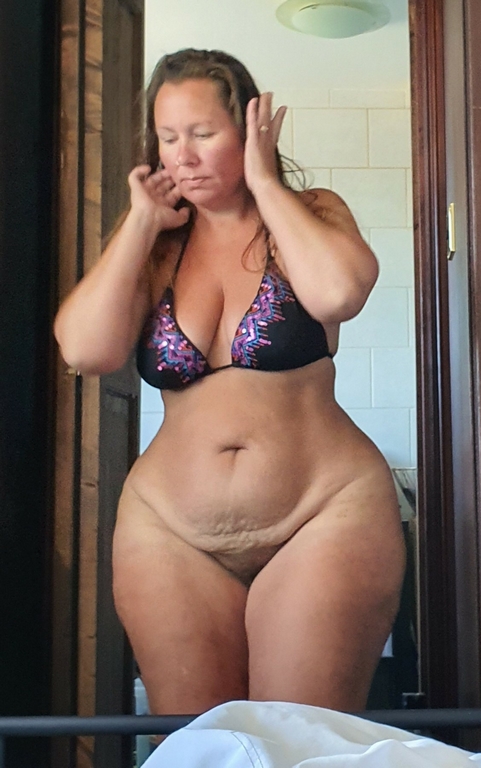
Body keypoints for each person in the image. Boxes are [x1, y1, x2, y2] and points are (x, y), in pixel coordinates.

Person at [54, 48, 405, 717]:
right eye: (168, 137)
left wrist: (265, 184)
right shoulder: (155, 246)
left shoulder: (309, 211)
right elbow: (85, 349)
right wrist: (140, 223)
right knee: (203, 749)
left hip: (322, 513)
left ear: (248, 129)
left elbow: (339, 293)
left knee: (298, 742)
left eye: (203, 133)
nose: (183, 155)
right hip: (169, 530)